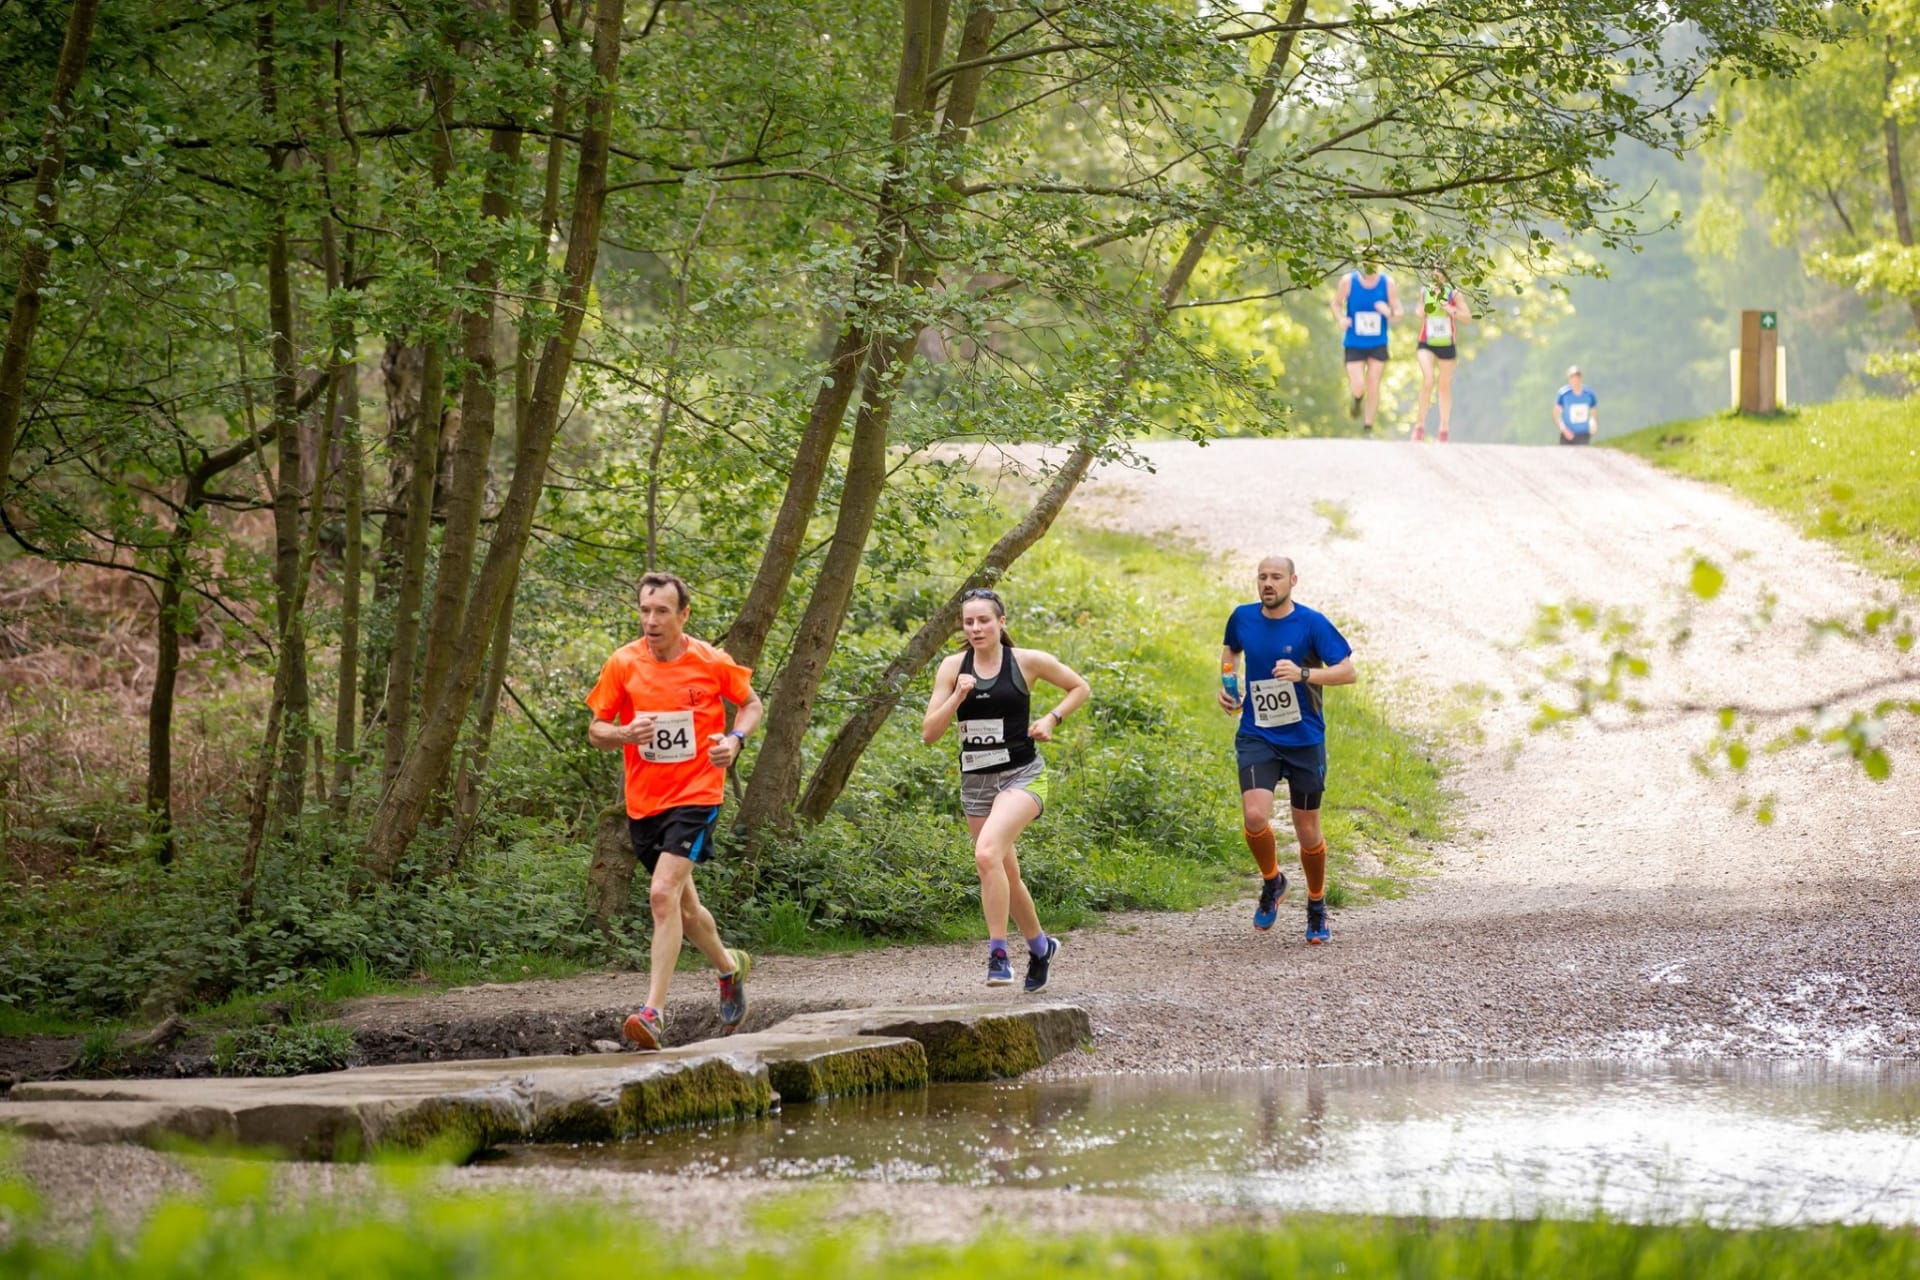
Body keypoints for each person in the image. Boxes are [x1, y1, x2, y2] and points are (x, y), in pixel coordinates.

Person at [587, 571, 762, 1051]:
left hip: (698, 794)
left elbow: (750, 704)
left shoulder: (710, 661)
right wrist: (623, 734)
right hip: (645, 803)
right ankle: (729, 968)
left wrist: (734, 740)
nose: (651, 620)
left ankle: (653, 1013)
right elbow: (596, 730)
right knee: (684, 907)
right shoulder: (623, 663)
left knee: (662, 894)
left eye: (662, 611)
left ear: (684, 615)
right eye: (645, 610)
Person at [923, 588, 1090, 991]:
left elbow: (1079, 687)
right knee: (1005, 874)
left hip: (1022, 776)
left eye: (984, 620)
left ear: (1001, 622)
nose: (976, 628)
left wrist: (1051, 719)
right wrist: (959, 695)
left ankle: (998, 954)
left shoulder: (1025, 662)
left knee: (985, 855)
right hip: (976, 782)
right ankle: (1039, 945)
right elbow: (930, 733)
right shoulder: (952, 666)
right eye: (969, 622)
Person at [1217, 556, 1356, 944]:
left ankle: (1316, 904)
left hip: (1304, 740)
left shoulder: (1311, 623)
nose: (1267, 583)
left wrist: (1304, 673)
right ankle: (1273, 881)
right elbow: (1232, 651)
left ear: (1292, 581)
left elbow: (1347, 671)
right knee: (1255, 815)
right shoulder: (1242, 617)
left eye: (1276, 577)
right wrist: (1228, 687)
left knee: (1307, 830)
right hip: (1257, 734)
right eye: (1262, 577)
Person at [1332, 260, 1403, 436]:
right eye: (1366, 262)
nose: (1370, 266)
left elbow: (1399, 313)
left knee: (1373, 383)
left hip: (1378, 343)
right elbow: (1335, 304)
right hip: (1354, 342)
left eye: (1374, 262)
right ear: (1361, 263)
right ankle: (1357, 399)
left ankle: (1368, 426)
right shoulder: (1348, 281)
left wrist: (1389, 312)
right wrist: (1341, 319)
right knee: (1358, 385)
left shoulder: (1388, 283)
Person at [1412, 269, 1472, 443]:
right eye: (1433, 270)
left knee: (1444, 386)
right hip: (1426, 342)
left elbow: (1467, 317)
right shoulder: (1424, 291)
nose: (1436, 274)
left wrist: (1450, 309)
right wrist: (1422, 310)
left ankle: (1444, 428)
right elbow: (1418, 311)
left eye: (1440, 271)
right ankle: (1419, 426)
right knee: (1428, 380)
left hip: (1446, 344)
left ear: (1446, 274)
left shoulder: (1454, 293)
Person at [1554, 366, 1599, 445]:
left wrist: (1593, 423)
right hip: (1567, 435)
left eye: (1577, 378)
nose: (1575, 381)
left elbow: (1593, 412)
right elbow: (1556, 415)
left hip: (1583, 434)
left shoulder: (1589, 394)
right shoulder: (1563, 394)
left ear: (1581, 378)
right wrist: (1564, 429)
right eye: (1572, 378)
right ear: (1569, 380)